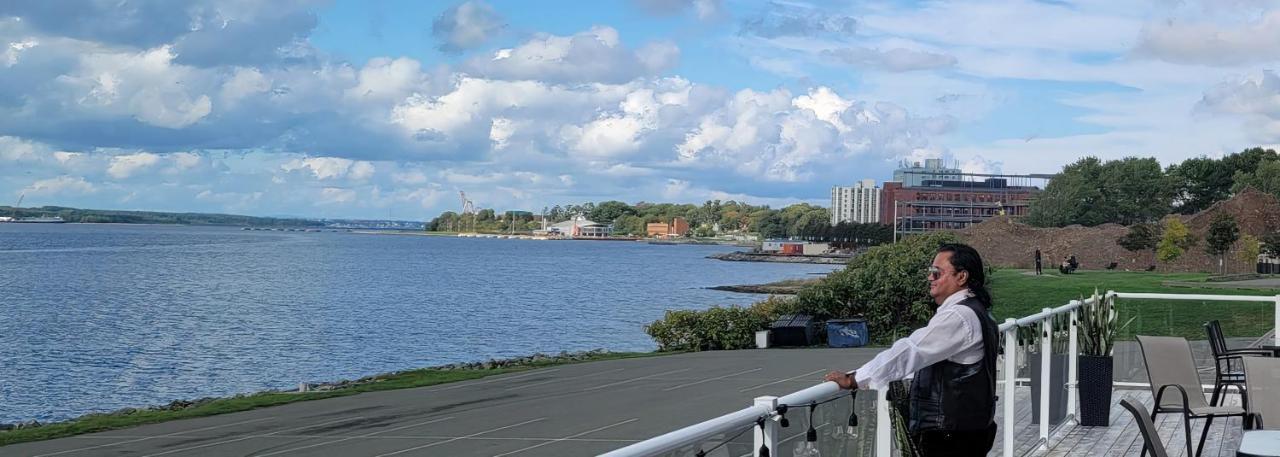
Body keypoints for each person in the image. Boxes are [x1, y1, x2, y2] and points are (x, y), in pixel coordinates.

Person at [825, 243, 998, 456]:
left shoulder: (958, 316)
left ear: (961, 277)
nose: (930, 278)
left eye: (937, 273)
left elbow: (911, 351)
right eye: (930, 272)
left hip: (951, 435)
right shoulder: (979, 312)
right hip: (969, 430)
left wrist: (855, 379)